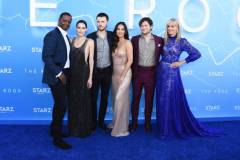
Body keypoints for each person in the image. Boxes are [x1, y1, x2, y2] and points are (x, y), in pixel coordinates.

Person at [156, 18, 220, 138]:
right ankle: (163, 128)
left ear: (177, 28)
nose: (170, 28)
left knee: (170, 100)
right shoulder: (163, 40)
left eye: (173, 26)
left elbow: (196, 54)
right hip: (161, 72)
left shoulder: (182, 41)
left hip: (172, 73)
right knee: (161, 100)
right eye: (168, 26)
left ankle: (170, 129)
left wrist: (182, 62)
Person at [42, 12, 72, 149]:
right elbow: (46, 57)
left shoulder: (65, 36)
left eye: (69, 21)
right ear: (59, 20)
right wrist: (59, 73)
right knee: (61, 105)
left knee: (59, 104)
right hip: (56, 75)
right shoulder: (52, 35)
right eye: (64, 20)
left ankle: (54, 130)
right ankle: (57, 139)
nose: (66, 23)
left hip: (64, 73)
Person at [131, 17, 164, 132]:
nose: (143, 27)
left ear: (151, 26)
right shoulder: (134, 40)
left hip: (151, 73)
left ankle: (147, 124)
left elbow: (166, 55)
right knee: (135, 98)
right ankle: (134, 123)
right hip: (137, 72)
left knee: (149, 99)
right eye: (142, 25)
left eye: (146, 25)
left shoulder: (159, 40)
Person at [68, 20, 94, 138]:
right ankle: (73, 128)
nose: (81, 30)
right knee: (73, 101)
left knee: (83, 101)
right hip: (72, 74)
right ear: (76, 28)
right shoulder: (71, 40)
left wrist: (90, 78)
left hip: (84, 74)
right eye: (79, 27)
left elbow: (91, 60)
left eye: (83, 28)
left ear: (86, 29)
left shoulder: (90, 41)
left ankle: (83, 129)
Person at [87, 13, 113, 131]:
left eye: (102, 21)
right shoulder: (90, 37)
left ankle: (101, 122)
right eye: (98, 21)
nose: (100, 24)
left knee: (104, 98)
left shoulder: (113, 36)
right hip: (95, 72)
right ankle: (92, 122)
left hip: (107, 72)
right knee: (92, 99)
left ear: (106, 22)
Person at [108, 22, 133, 137]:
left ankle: (121, 129)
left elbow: (130, 60)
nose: (120, 31)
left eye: (122, 29)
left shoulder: (128, 43)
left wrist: (123, 75)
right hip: (114, 74)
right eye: (118, 29)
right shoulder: (114, 42)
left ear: (125, 31)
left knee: (120, 100)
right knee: (115, 100)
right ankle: (115, 122)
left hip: (125, 74)